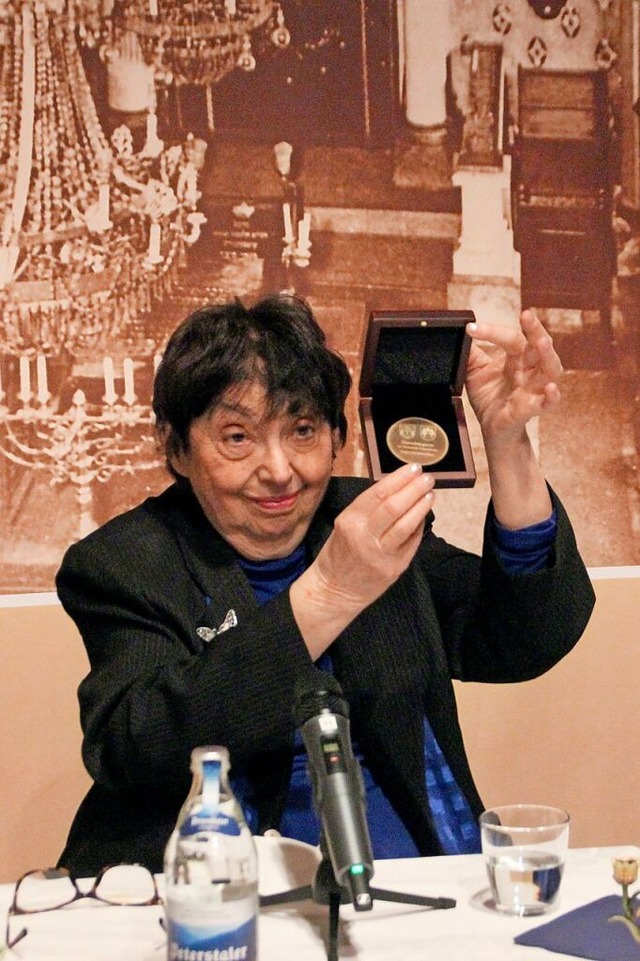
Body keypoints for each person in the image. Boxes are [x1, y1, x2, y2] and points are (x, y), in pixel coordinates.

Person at [56, 293, 595, 876]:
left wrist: (509, 442)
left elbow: (520, 638)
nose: (280, 469)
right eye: (237, 437)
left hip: (417, 869)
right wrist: (330, 592)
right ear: (177, 447)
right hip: (219, 885)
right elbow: (136, 744)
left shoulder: (362, 515)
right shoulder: (127, 562)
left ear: (338, 436)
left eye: (303, 430)